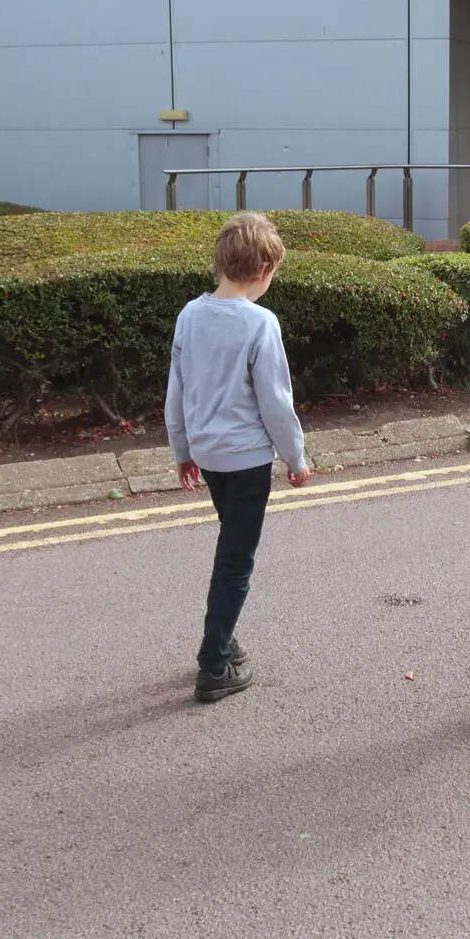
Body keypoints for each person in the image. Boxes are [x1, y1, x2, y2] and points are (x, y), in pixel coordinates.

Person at [166, 212, 314, 703]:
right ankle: (213, 665)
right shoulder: (260, 323)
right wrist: (296, 458)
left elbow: (177, 389)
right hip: (247, 459)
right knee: (235, 562)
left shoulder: (190, 314)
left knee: (229, 549)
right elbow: (275, 400)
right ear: (265, 268)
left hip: (208, 455)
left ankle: (224, 635)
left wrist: (182, 449)